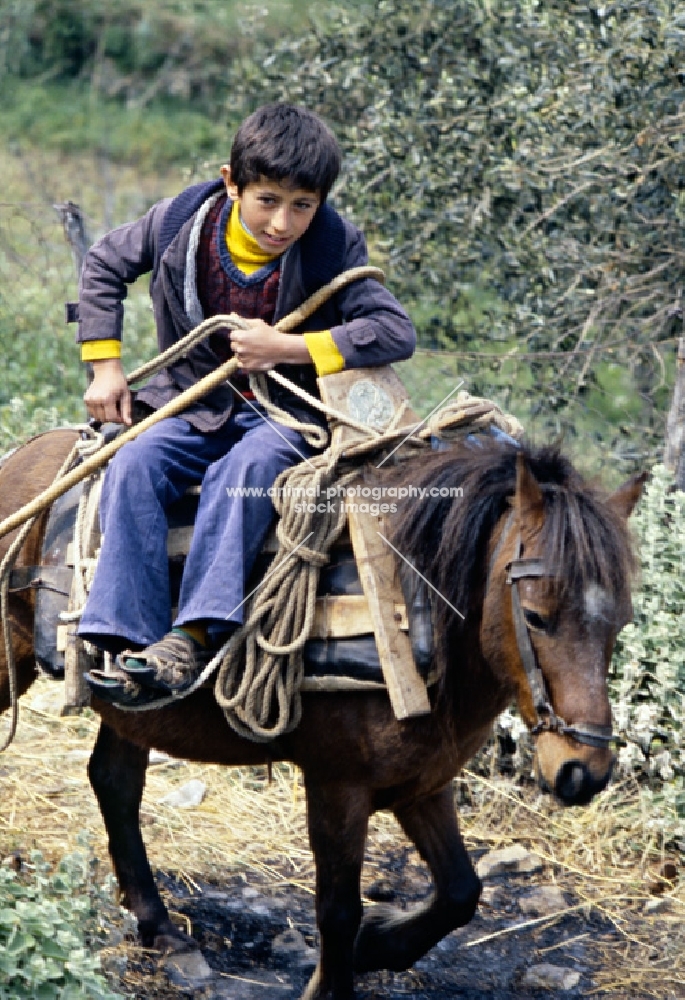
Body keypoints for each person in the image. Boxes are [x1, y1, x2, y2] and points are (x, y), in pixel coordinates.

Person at [76, 102, 415, 707]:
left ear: (321, 203)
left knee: (244, 476)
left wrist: (286, 347)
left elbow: (393, 331)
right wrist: (105, 368)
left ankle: (192, 639)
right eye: (268, 201)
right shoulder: (181, 220)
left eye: (302, 206)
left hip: (285, 417)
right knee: (133, 463)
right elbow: (104, 263)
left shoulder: (333, 244)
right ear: (232, 182)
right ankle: (128, 639)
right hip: (193, 402)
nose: (283, 222)